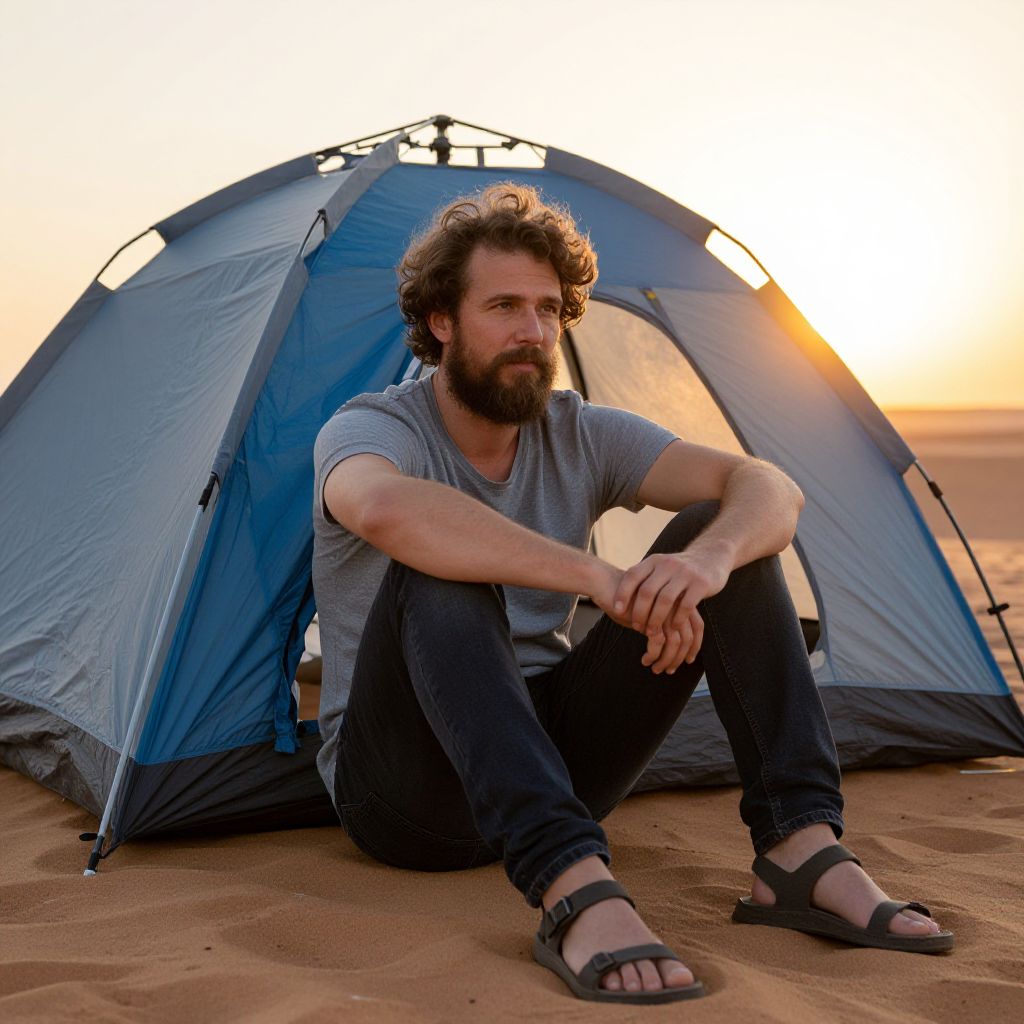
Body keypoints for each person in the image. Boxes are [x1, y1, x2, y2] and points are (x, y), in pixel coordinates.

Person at [310, 183, 953, 1005]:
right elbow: (388, 510)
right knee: (438, 567)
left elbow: (768, 485)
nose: (532, 333)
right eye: (504, 305)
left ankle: (799, 848)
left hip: (560, 760)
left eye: (549, 310)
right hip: (407, 798)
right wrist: (597, 577)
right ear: (442, 320)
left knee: (725, 534)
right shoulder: (371, 429)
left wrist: (708, 562)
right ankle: (573, 887)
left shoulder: (579, 430)